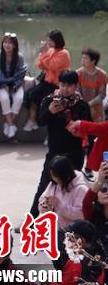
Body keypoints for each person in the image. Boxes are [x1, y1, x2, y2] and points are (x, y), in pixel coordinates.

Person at [31, 70, 91, 216]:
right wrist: (49, 111)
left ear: (76, 86)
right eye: (62, 84)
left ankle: (68, 220)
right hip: (54, 153)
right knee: (44, 186)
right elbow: (40, 122)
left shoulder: (82, 105)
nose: (65, 88)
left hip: (74, 154)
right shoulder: (49, 101)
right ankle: (32, 220)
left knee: (72, 188)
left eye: (69, 85)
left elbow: (89, 128)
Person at [24, 29, 71, 132]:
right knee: (31, 95)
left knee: (47, 104)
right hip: (46, 82)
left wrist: (44, 53)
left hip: (57, 85)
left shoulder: (64, 53)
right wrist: (43, 53)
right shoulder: (50, 50)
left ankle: (42, 127)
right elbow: (40, 65)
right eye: (47, 40)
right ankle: (32, 120)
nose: (47, 42)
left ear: (56, 40)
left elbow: (52, 66)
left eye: (50, 40)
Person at [0, 33, 28, 140]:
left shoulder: (19, 57)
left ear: (14, 45)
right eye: (5, 42)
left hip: (15, 84)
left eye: (10, 43)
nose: (7, 45)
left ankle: (8, 124)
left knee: (19, 98)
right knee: (4, 98)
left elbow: (20, 75)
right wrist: (5, 83)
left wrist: (12, 84)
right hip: (0, 84)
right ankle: (11, 125)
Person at [39, 155, 88, 229]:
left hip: (72, 231)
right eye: (52, 176)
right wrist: (44, 205)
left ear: (65, 174)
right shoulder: (54, 184)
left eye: (56, 176)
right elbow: (42, 201)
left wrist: (59, 206)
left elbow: (81, 215)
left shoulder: (81, 189)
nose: (55, 179)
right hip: (54, 228)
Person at [79, 48, 108, 122]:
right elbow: (77, 92)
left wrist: (88, 104)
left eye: (85, 58)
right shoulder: (78, 73)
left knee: (97, 128)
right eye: (82, 58)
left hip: (97, 110)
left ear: (93, 61)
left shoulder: (102, 75)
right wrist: (84, 105)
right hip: (81, 108)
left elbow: (101, 95)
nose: (82, 60)